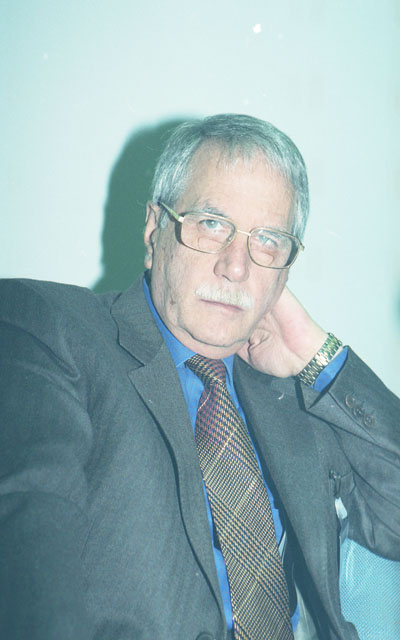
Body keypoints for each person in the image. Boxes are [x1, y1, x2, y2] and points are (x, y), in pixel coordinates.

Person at [0, 114, 399, 640]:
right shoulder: (49, 330)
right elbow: (28, 565)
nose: (236, 266)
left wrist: (317, 354)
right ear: (154, 231)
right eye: (211, 223)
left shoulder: (298, 396)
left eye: (268, 240)